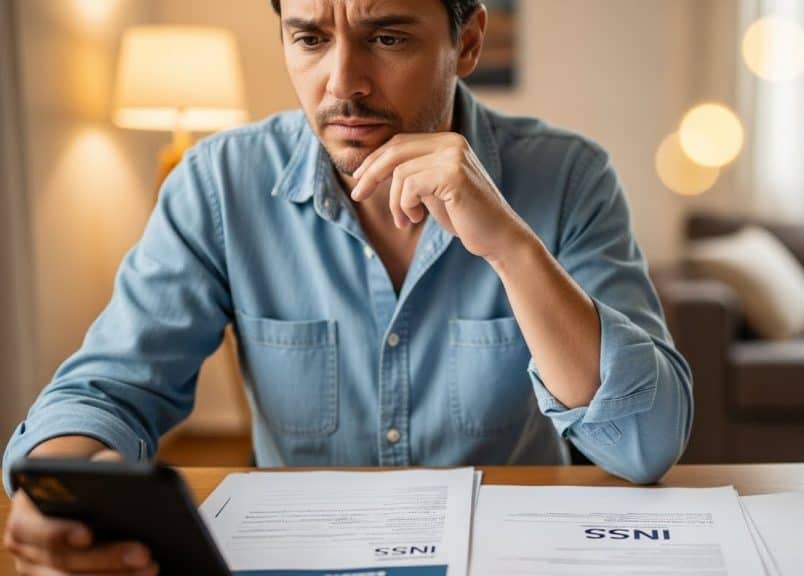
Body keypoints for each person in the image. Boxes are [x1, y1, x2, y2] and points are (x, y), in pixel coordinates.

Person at [2, 0, 694, 573]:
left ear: (470, 40)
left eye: (386, 37)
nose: (343, 83)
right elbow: (106, 391)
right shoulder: (218, 186)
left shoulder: (569, 178)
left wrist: (511, 248)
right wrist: (60, 492)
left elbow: (646, 441)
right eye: (309, 38)